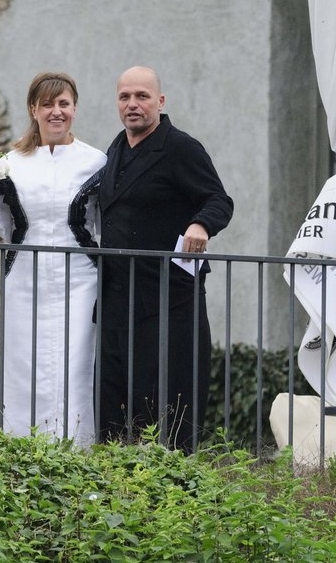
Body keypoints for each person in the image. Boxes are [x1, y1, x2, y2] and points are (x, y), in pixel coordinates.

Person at [94, 66, 233, 451]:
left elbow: (218, 200)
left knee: (169, 399)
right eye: (125, 97)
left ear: (160, 101)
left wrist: (201, 226)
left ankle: (173, 486)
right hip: (118, 296)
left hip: (169, 298)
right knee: (116, 399)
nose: (133, 104)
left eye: (141, 96)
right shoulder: (116, 149)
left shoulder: (181, 148)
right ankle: (114, 480)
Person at [0, 72, 106, 445]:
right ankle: (23, 453)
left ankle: (78, 452)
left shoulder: (95, 161)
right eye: (47, 104)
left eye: (63, 104)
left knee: (76, 366)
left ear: (75, 109)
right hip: (25, 278)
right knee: (24, 366)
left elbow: (104, 222)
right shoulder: (9, 164)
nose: (56, 112)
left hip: (80, 276)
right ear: (33, 109)